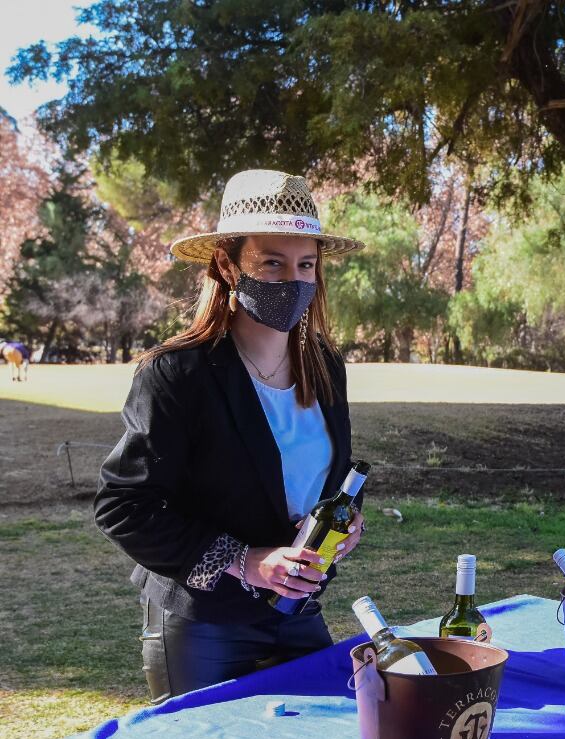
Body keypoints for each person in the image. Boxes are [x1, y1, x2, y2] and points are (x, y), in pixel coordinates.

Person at [95, 169, 368, 702]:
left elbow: (323, 481)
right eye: (272, 261)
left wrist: (344, 522)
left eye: (306, 265)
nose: (293, 280)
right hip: (204, 620)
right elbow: (123, 507)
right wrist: (246, 561)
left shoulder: (326, 367)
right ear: (226, 263)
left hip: (298, 609)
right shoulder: (178, 373)